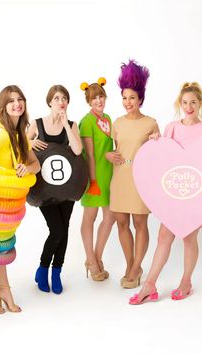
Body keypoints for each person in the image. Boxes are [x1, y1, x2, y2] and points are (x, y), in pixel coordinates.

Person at [129, 81, 202, 304]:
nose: (189, 106)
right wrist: (155, 143)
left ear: (200, 104)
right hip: (174, 194)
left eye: (193, 102)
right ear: (180, 104)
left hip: (196, 194)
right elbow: (165, 160)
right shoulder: (172, 128)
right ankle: (149, 285)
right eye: (185, 102)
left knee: (189, 238)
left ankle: (186, 282)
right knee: (164, 236)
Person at [0, 85, 40, 315]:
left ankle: (3, 290)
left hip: (7, 208)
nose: (17, 103)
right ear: (3, 107)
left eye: (20, 99)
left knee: (0, 247)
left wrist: (27, 167)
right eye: (11, 100)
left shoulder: (20, 136)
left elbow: (37, 164)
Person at [106, 59, 160, 288]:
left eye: (132, 98)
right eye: (125, 98)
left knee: (140, 224)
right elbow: (108, 150)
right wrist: (109, 155)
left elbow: (160, 155)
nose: (128, 102)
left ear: (140, 99)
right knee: (121, 223)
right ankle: (130, 264)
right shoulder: (116, 123)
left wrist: (157, 142)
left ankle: (137, 267)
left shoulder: (151, 123)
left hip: (140, 180)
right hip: (119, 178)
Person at [27, 85, 82, 294]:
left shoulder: (72, 125)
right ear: (49, 101)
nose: (61, 101)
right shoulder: (37, 124)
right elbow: (20, 145)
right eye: (57, 98)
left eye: (65, 98)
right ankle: (43, 268)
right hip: (43, 190)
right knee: (56, 230)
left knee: (64, 230)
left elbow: (77, 150)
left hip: (67, 189)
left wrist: (66, 126)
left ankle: (56, 271)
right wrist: (32, 141)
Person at [79, 78, 115, 281]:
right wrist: (92, 181)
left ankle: (97, 256)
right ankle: (90, 260)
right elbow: (90, 155)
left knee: (109, 217)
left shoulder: (108, 119)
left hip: (109, 175)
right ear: (89, 101)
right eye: (94, 98)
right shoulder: (87, 122)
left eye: (101, 96)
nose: (99, 100)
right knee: (89, 218)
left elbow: (109, 149)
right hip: (93, 176)